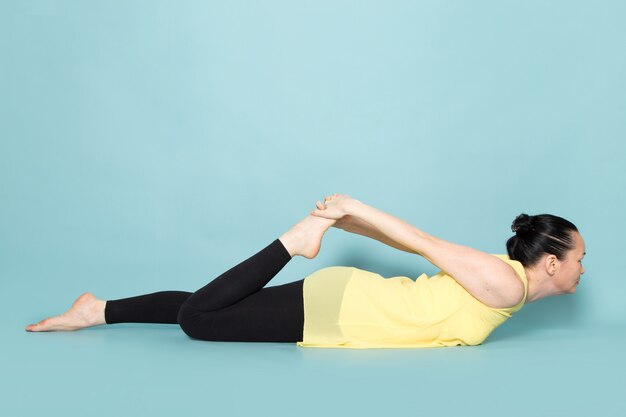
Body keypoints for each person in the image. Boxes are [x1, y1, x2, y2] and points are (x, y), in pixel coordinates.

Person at [25, 194, 586, 349]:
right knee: (201, 318)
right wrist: (353, 209)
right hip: (343, 309)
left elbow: (419, 253)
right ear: (552, 260)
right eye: (580, 258)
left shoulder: (502, 283)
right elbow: (424, 242)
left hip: (344, 310)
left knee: (210, 303)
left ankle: (95, 309)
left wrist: (350, 227)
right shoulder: (508, 280)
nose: (584, 270)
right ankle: (290, 243)